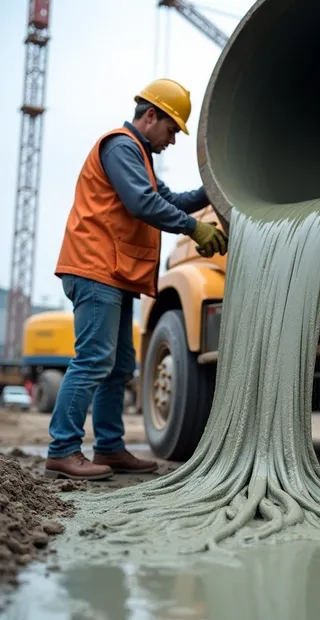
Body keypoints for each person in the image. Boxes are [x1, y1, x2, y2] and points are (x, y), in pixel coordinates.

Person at [45, 78, 227, 481]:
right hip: (94, 269)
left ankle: (109, 447)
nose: (173, 140)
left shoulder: (139, 155)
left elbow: (171, 201)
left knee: (119, 365)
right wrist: (194, 230)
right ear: (150, 116)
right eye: (172, 129)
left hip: (114, 273)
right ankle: (61, 449)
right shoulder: (121, 146)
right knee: (94, 359)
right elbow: (142, 203)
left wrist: (213, 188)